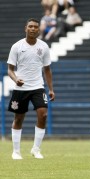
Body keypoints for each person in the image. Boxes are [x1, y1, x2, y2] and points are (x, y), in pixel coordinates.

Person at [7, 18, 55, 160]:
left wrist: (51, 89)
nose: (33, 29)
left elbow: (47, 69)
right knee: (19, 118)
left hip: (38, 87)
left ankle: (36, 149)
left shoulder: (44, 47)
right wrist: (16, 80)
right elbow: (10, 70)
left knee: (43, 114)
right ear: (25, 28)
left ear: (39, 30)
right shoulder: (16, 46)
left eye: (35, 27)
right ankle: (16, 151)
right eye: (30, 26)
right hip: (20, 89)